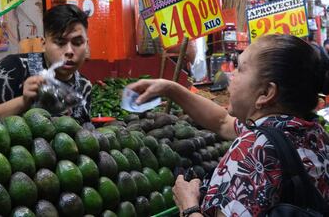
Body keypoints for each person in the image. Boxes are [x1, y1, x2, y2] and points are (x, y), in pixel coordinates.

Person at [128, 34, 329, 216]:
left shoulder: (252, 151)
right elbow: (222, 122)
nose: (231, 76)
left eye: (240, 69)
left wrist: (188, 205)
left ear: (266, 93)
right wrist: (170, 88)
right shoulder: (309, 132)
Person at [0, 4, 92, 125]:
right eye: (60, 42)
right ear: (44, 44)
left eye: (77, 42)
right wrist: (23, 102)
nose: (69, 51)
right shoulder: (14, 67)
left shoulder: (84, 86)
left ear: (86, 45)